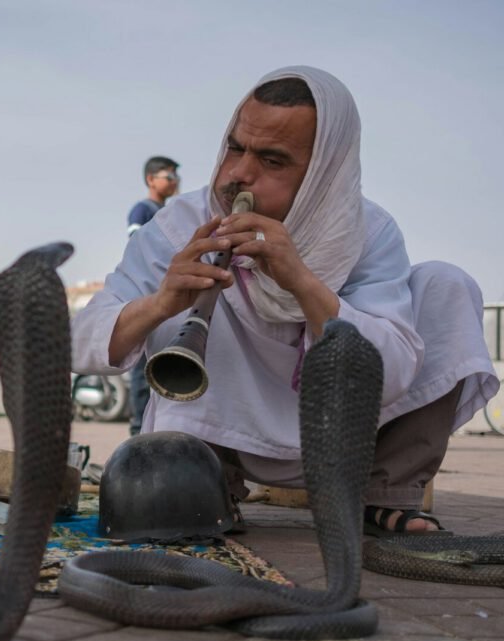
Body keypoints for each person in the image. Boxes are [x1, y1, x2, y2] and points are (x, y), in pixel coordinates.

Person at [72, 66, 499, 535]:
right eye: (236, 147)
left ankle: (385, 494)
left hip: (346, 438)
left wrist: (302, 281)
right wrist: (161, 303)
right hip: (221, 438)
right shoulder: (179, 226)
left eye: (272, 161)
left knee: (447, 284)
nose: (238, 174)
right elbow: (83, 343)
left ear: (325, 170)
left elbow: (393, 372)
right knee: (184, 313)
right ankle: (211, 486)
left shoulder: (369, 232)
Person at [126, 156, 181, 437]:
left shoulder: (172, 214)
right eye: (168, 177)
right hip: (149, 298)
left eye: (175, 178)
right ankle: (138, 433)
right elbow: (140, 252)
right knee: (143, 369)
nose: (174, 182)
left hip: (169, 302)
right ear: (151, 180)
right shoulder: (143, 211)